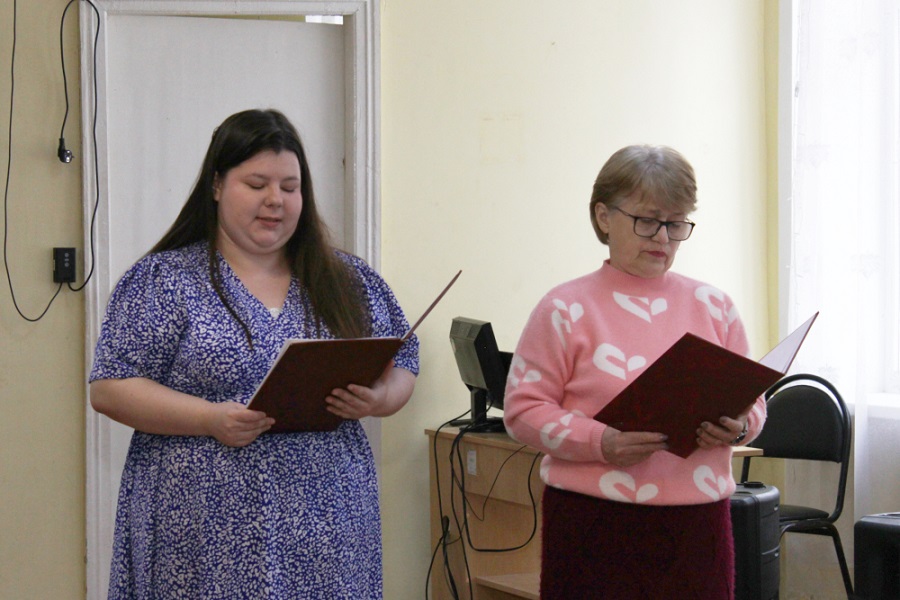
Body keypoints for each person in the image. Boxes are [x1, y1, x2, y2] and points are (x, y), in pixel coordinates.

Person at [89, 108, 418, 599]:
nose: (275, 201)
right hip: (200, 536)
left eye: (290, 187)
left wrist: (380, 399)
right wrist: (208, 418)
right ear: (217, 185)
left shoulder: (348, 279)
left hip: (329, 531)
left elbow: (404, 360)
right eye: (257, 184)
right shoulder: (164, 281)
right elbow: (110, 386)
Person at [502, 145, 766, 599]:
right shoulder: (564, 307)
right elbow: (522, 412)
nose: (663, 238)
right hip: (593, 525)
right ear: (604, 216)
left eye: (677, 224)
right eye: (648, 220)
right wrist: (600, 442)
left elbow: (754, 401)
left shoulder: (714, 306)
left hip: (697, 527)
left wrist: (739, 427)